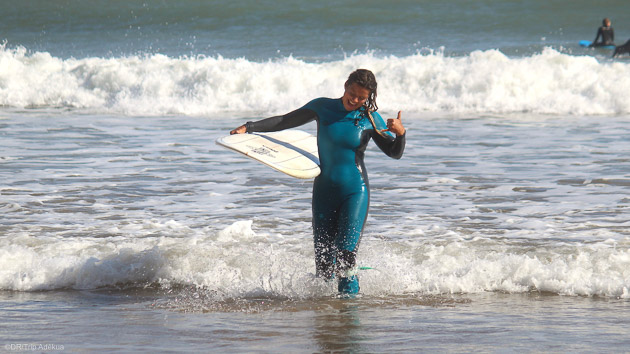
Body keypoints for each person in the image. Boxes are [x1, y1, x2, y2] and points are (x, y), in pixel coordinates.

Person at [230, 69, 406, 295]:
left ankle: (349, 309)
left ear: (369, 97)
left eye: (361, 97)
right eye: (352, 93)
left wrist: (400, 134)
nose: (355, 100)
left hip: (354, 191)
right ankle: (326, 315)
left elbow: (394, 153)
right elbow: (285, 120)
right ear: (345, 85)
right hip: (324, 192)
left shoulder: (369, 119)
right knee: (323, 264)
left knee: (345, 254)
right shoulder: (323, 107)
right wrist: (250, 127)